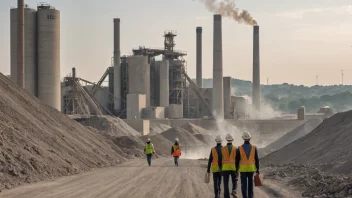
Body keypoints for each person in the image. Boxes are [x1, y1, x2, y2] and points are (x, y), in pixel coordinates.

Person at [235, 131, 260, 198]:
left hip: (243, 170)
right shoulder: (254, 148)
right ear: (250, 138)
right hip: (251, 169)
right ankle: (250, 196)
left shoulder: (239, 148)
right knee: (250, 184)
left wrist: (236, 169)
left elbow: (237, 160)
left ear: (243, 138)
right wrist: (258, 169)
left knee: (244, 185)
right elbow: (257, 159)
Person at [222, 134, 238, 198]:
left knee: (225, 182)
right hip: (233, 167)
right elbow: (237, 160)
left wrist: (221, 168)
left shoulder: (222, 149)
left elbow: (220, 160)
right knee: (235, 180)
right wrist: (237, 169)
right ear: (232, 140)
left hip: (225, 168)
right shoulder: (235, 148)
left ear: (226, 140)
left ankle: (227, 196)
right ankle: (234, 190)